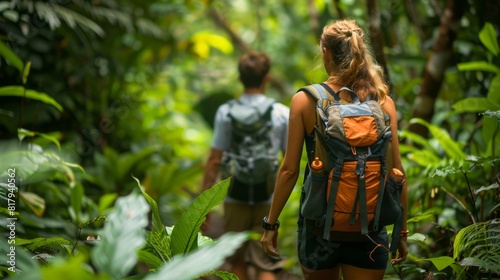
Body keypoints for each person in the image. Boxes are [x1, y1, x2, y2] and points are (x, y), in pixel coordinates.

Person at [260, 19, 409, 280]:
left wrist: (271, 223)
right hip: (370, 232)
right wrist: (402, 232)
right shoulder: (383, 103)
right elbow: (398, 171)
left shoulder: (306, 100)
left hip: (319, 231)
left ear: (326, 53)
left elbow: (288, 171)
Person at [201, 51, 289, 280]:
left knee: (236, 260)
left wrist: (204, 205)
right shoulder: (280, 112)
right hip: (268, 197)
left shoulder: (225, 112)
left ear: (240, 78)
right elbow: (288, 163)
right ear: (266, 78)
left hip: (234, 194)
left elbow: (214, 159)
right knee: (265, 263)